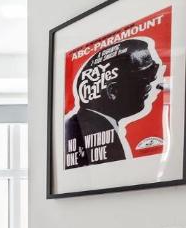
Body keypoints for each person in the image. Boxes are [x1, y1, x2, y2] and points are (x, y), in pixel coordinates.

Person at [63, 37, 163, 168]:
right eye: (145, 79)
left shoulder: (75, 125)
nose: (152, 85)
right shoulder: (106, 141)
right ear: (113, 91)